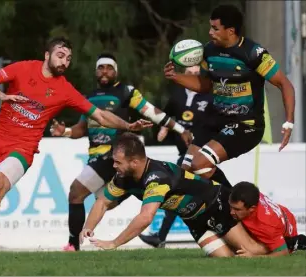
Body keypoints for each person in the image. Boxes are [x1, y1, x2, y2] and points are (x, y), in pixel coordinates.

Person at [0, 37, 151, 263]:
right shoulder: (23, 68)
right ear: (47, 55)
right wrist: (2, 95)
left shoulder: (65, 89)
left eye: (69, 58)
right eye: (60, 56)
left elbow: (101, 115)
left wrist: (128, 125)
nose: (65, 62)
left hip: (22, 149)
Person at [49, 53, 193, 251]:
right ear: (95, 71)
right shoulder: (88, 97)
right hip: (97, 157)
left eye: (109, 67)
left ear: (116, 71)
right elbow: (81, 129)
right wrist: (64, 131)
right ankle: (130, 193)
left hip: (114, 156)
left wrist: (180, 129)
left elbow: (153, 112)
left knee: (76, 192)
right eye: (101, 67)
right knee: (104, 201)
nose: (105, 71)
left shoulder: (126, 92)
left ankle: (73, 245)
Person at [164, 5, 295, 185]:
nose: (210, 32)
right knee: (185, 171)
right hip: (216, 120)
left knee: (199, 164)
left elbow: (285, 84)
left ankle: (232, 203)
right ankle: (209, 210)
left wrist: (288, 122)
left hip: (246, 126)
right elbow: (206, 85)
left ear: (231, 31)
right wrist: (176, 76)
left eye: (215, 28)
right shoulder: (209, 51)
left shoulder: (252, 53)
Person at [79, 133, 268, 257]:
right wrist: (87, 227)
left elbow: (146, 217)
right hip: (193, 219)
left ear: (135, 162)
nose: (114, 166)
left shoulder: (157, 177)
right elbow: (102, 202)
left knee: (248, 252)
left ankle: (285, 249)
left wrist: (114, 243)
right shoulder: (124, 176)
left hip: (215, 205)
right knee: (226, 260)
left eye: (118, 162)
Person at [139, 65, 216, 248]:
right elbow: (167, 113)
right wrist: (165, 128)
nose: (194, 77)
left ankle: (161, 236)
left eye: (197, 74)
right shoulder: (177, 94)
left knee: (177, 188)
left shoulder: (208, 96)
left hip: (201, 153)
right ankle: (163, 237)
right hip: (184, 153)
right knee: (191, 193)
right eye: (190, 74)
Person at [229, 181, 306, 256]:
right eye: (231, 207)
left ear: (252, 208)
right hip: (281, 216)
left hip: (284, 232)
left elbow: (283, 252)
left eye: (237, 209)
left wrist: (252, 256)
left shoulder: (266, 224)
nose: (231, 212)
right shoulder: (250, 195)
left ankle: (293, 243)